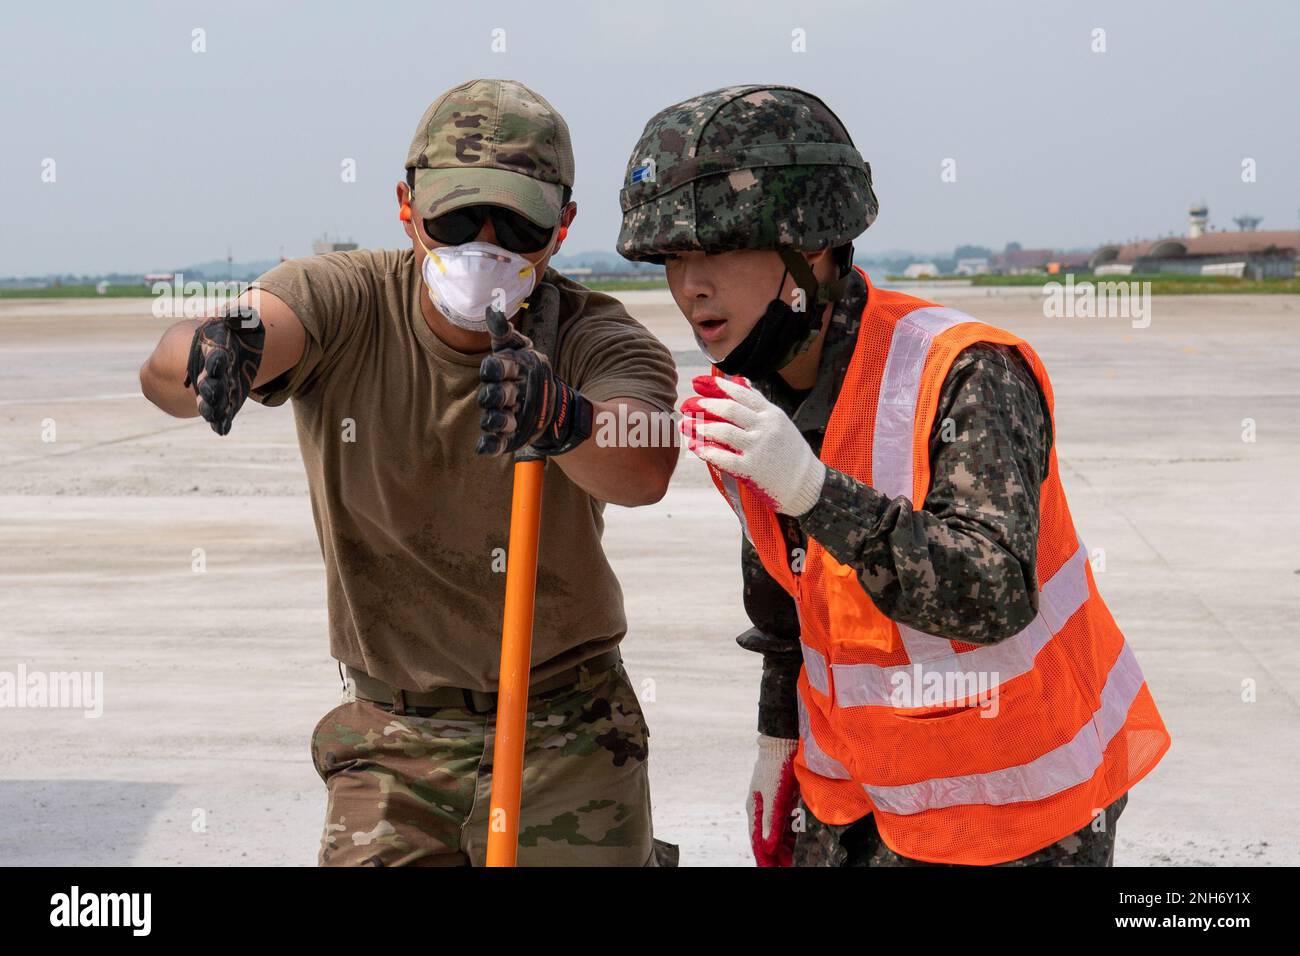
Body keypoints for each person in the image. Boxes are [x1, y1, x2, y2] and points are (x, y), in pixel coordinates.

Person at [616, 84, 1171, 867]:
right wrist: (779, 738)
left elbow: (993, 591)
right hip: (854, 803)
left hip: (1020, 807)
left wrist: (815, 492)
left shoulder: (963, 371)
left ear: (809, 247)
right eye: (673, 258)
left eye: (716, 250)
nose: (689, 285)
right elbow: (789, 600)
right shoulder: (751, 397)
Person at [139, 78, 679, 866]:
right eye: (457, 217)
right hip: (392, 737)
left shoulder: (592, 333)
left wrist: (563, 419)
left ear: (562, 228)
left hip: (567, 732)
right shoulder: (346, 297)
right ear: (407, 205)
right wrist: (220, 348)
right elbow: (182, 363)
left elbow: (643, 463)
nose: (484, 245)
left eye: (517, 223)